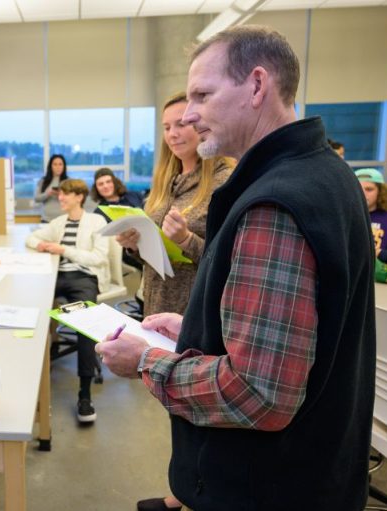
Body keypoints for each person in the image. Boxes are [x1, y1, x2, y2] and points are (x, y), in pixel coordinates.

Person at [97, 26, 375, 511]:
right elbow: (301, 334)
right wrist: (197, 329)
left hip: (267, 486)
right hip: (315, 472)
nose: (188, 114)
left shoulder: (275, 203)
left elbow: (259, 394)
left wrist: (144, 360)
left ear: (256, 85)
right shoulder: (325, 172)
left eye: (203, 94)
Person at [116, 91, 233, 511]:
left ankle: (193, 495)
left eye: (180, 123)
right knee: (175, 403)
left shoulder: (223, 179)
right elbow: (156, 250)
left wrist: (186, 239)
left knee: (199, 402)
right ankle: (184, 491)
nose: (173, 133)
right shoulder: (168, 179)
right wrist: (134, 242)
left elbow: (227, 259)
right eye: (165, 127)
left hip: (197, 305)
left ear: (200, 121)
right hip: (161, 297)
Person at [26, 179, 109, 423]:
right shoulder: (58, 222)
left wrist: (64, 250)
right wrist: (42, 244)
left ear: (79, 197)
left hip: (83, 277)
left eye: (66, 195)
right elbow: (32, 238)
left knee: (85, 324)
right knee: (33, 311)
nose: (60, 198)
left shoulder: (97, 222)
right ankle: (32, 380)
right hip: (56, 275)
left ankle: (84, 394)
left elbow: (98, 258)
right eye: (60, 194)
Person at [355, 168, 387, 273]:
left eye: (369, 189)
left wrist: (379, 253)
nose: (363, 194)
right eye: (358, 189)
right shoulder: (343, 219)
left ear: (381, 192)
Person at [34, 154, 69, 222]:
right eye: (55, 164)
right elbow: (36, 198)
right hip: (46, 219)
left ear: (64, 166)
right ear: (50, 166)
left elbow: (73, 200)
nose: (58, 167)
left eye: (60, 164)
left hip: (63, 220)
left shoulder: (69, 181)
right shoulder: (43, 181)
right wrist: (47, 193)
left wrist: (61, 194)